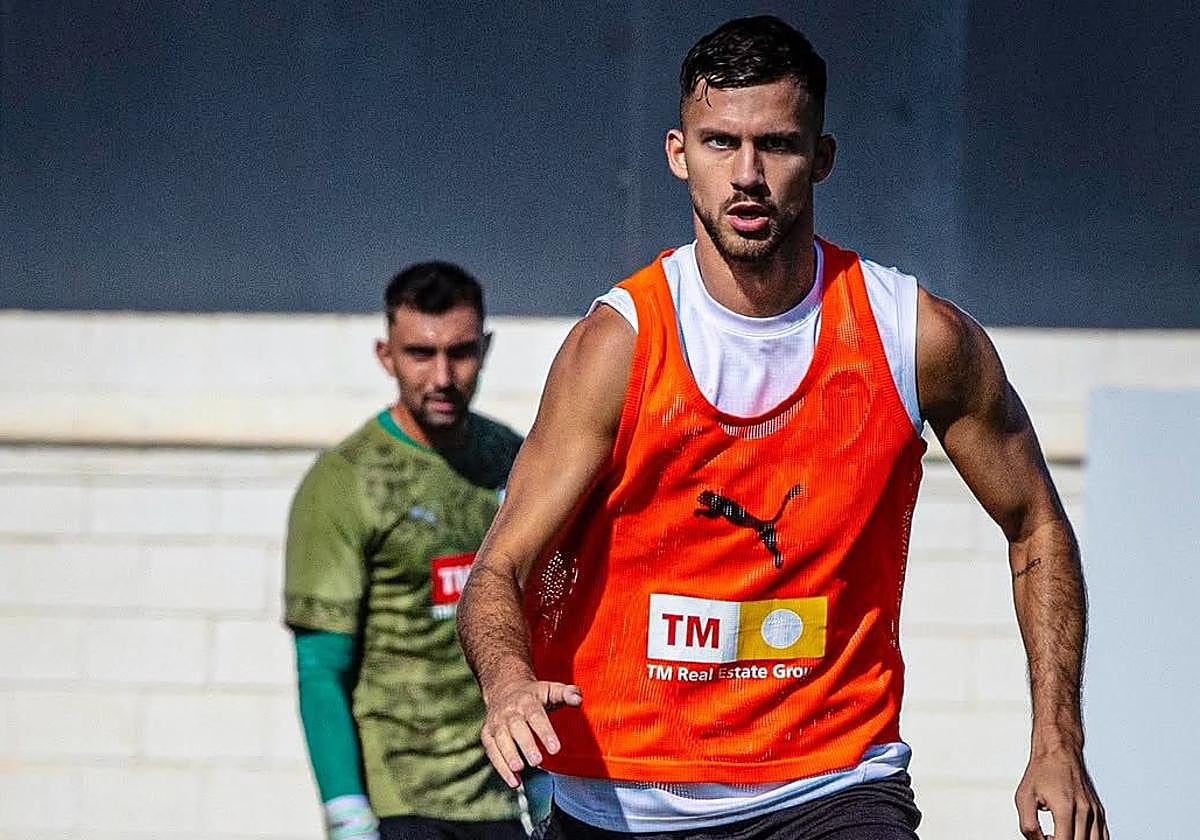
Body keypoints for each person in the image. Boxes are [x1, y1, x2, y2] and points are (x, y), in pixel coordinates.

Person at [456, 16, 1108, 840]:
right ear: (677, 154)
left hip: (833, 788)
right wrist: (509, 682)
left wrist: (1058, 741)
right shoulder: (617, 346)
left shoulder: (912, 336)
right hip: (625, 801)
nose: (748, 175)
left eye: (778, 145)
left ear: (822, 158)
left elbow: (1037, 524)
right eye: (721, 142)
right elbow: (497, 569)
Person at [284, 261, 548, 840]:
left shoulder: (514, 459)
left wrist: (550, 779)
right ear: (386, 356)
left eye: (461, 352)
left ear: (487, 347)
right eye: (420, 354)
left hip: (506, 799)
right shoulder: (346, 480)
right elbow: (320, 667)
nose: (443, 376)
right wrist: (346, 812)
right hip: (402, 801)